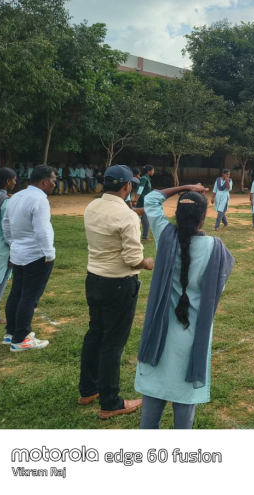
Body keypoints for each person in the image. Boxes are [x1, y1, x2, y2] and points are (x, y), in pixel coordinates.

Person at [136, 185, 234, 429]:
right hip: (193, 334)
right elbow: (218, 287)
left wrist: (185, 188)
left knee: (153, 396)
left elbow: (151, 200)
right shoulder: (216, 248)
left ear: (177, 215)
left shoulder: (164, 235)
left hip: (159, 333)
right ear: (204, 216)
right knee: (184, 402)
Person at [79, 165, 155, 419]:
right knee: (112, 343)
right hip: (118, 284)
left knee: (95, 334)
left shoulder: (92, 206)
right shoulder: (127, 216)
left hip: (94, 279)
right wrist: (148, 263)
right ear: (127, 186)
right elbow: (134, 260)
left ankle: (88, 389)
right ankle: (110, 402)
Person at [2, 165, 57, 351]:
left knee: (16, 293)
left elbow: (6, 224)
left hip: (19, 253)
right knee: (29, 297)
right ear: (45, 181)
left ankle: (11, 334)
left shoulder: (17, 196)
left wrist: (13, 244)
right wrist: (49, 253)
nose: (55, 184)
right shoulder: (40, 200)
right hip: (36, 255)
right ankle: (21, 339)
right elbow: (42, 229)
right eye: (53, 181)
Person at [0, 168, 16, 326]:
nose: (15, 182)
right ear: (8, 181)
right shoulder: (6, 201)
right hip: (1, 246)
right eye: (14, 179)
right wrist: (14, 249)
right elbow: (8, 229)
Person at [134, 165, 155, 241]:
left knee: (144, 218)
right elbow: (140, 189)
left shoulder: (146, 178)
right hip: (142, 201)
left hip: (145, 201)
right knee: (143, 217)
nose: (153, 172)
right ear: (148, 171)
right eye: (152, 170)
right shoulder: (144, 179)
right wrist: (136, 200)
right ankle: (144, 236)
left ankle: (144, 236)